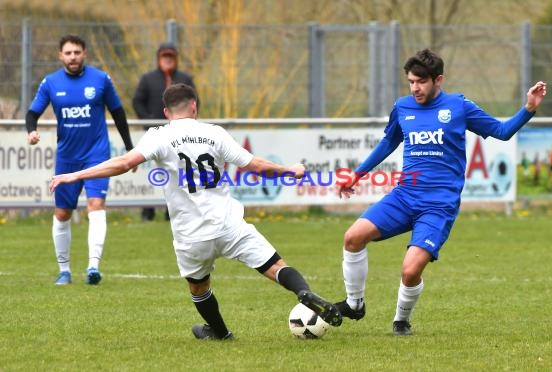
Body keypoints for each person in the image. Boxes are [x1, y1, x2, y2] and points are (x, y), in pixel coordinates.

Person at [50, 83, 342, 340]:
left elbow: (125, 163)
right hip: (228, 224)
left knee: (198, 287)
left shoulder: (159, 136)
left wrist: (75, 175)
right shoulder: (214, 133)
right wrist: (289, 170)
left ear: (166, 112)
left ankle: (220, 332)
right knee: (275, 265)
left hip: (191, 234)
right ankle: (302, 292)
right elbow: (254, 166)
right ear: (194, 107)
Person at [334, 49, 546, 336]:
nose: (415, 88)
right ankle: (354, 304)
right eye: (411, 81)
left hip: (438, 205)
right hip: (404, 196)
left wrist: (528, 108)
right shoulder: (403, 107)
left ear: (438, 80)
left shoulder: (459, 106)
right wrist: (356, 175)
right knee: (353, 237)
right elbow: (388, 144)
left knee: (410, 271)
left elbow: (502, 131)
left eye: (421, 82)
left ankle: (401, 320)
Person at [26, 34, 136, 286]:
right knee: (63, 213)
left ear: (84, 53)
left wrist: (129, 149)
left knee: (96, 205)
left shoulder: (100, 79)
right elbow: (33, 112)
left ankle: (93, 267)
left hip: (97, 153)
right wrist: (31, 130)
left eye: (77, 52)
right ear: (60, 55)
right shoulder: (50, 83)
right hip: (67, 157)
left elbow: (118, 112)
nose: (73, 57)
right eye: (68, 53)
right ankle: (64, 270)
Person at [133, 41, 196, 222]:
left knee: (177, 171)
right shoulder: (148, 79)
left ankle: (173, 211)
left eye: (171, 57)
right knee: (151, 173)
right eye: (164, 56)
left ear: (176, 59)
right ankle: (148, 211)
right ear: (158, 58)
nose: (168, 60)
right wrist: (148, 121)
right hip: (154, 133)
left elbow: (194, 101)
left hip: (180, 136)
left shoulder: (185, 79)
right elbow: (137, 101)